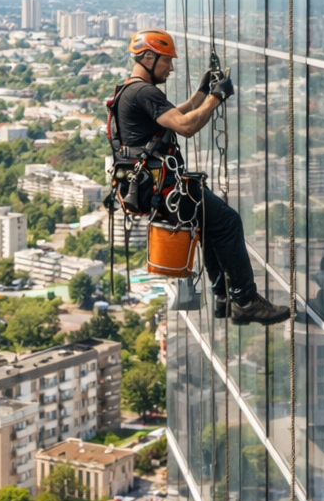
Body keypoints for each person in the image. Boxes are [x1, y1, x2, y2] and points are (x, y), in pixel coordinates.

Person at [111, 29, 290, 325]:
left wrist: (202, 93)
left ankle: (223, 297)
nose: (170, 67)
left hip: (154, 190)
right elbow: (185, 126)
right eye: (167, 61)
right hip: (166, 191)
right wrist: (216, 99)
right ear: (148, 57)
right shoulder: (145, 92)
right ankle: (245, 300)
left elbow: (174, 116)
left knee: (211, 227)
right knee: (228, 222)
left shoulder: (129, 91)